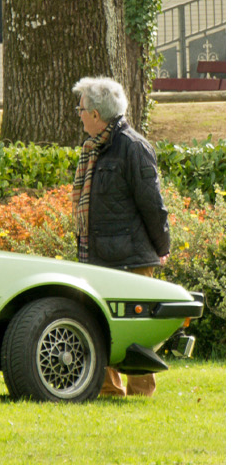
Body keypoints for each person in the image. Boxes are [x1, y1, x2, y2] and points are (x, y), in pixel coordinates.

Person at [72, 76, 170, 397]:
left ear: (97, 115)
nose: (79, 113)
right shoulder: (92, 149)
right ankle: (107, 391)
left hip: (131, 259)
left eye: (82, 108)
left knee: (135, 331)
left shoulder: (134, 148)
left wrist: (162, 246)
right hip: (98, 258)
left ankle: (141, 392)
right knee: (100, 326)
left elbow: (153, 205)